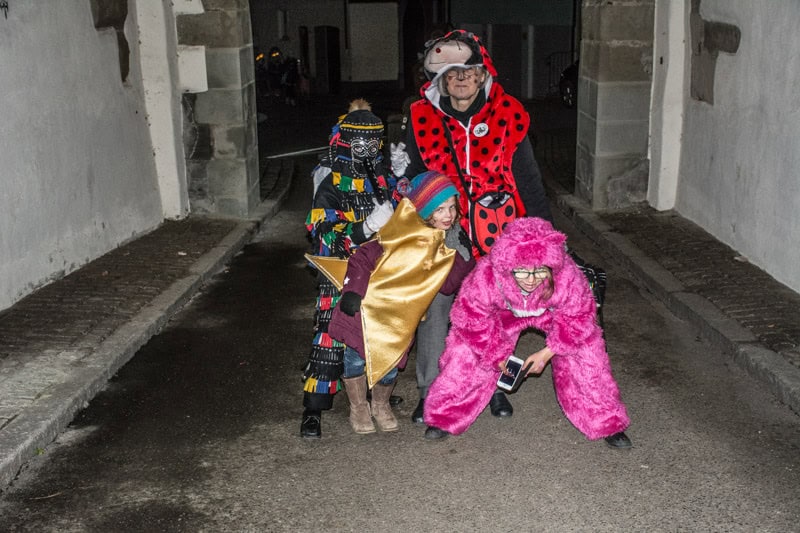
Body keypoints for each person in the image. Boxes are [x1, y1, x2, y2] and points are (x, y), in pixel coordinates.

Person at [392, 29, 554, 420]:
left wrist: (545, 240)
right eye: (452, 73)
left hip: (499, 225)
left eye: (469, 71)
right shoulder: (420, 117)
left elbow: (529, 179)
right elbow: (413, 177)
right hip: (446, 225)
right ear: (440, 79)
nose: (461, 78)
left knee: (495, 308)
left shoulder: (509, 114)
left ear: (483, 75)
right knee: (436, 302)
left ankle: (493, 386)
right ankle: (432, 390)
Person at [422, 217, 632, 449]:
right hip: (503, 315)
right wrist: (496, 353)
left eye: (540, 271)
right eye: (521, 271)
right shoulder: (488, 274)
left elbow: (580, 317)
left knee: (588, 351)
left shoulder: (566, 274)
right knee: (464, 352)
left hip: (551, 315)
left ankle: (606, 420)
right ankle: (445, 415)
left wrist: (548, 352)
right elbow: (470, 318)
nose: (531, 280)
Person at [326, 171, 474, 434]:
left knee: (391, 364)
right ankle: (358, 407)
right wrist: (353, 292)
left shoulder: (447, 240)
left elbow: (447, 285)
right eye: (439, 209)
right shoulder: (399, 232)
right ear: (424, 210)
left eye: (452, 207)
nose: (448, 215)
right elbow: (363, 257)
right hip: (368, 310)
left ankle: (381, 404)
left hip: (399, 320)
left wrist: (463, 255)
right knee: (356, 360)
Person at [300, 99, 396, 439]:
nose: (366, 151)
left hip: (380, 270)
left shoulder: (384, 179)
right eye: (360, 143)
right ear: (346, 142)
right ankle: (313, 408)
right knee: (330, 338)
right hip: (340, 271)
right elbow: (324, 232)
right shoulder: (331, 183)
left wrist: (404, 184)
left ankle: (377, 396)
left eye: (373, 144)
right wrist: (364, 228)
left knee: (380, 333)